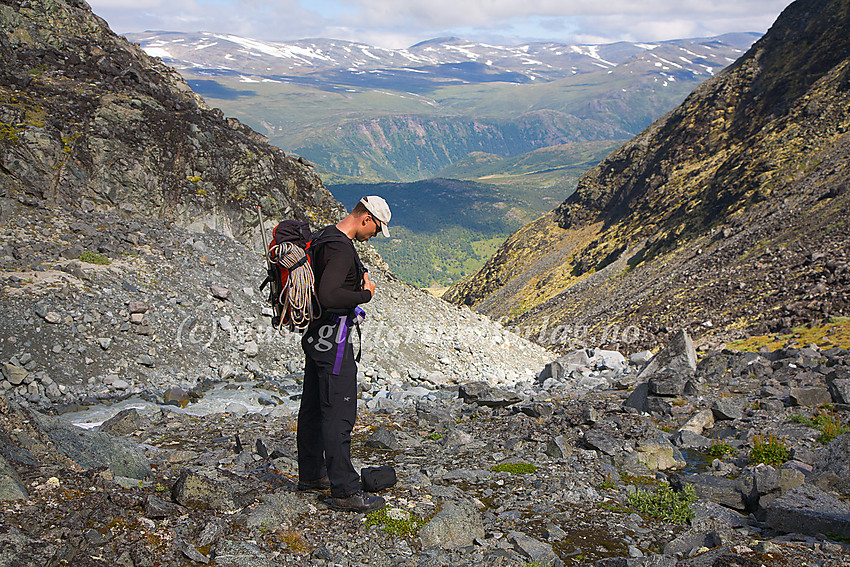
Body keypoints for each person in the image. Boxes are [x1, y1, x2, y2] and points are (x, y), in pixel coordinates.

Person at [296, 196, 391, 512]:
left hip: (316, 337)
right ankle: (345, 491)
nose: (375, 235)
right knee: (339, 412)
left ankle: (312, 474)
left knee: (312, 406)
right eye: (376, 228)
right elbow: (329, 294)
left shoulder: (325, 236)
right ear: (366, 218)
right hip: (333, 341)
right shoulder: (339, 248)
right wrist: (365, 294)